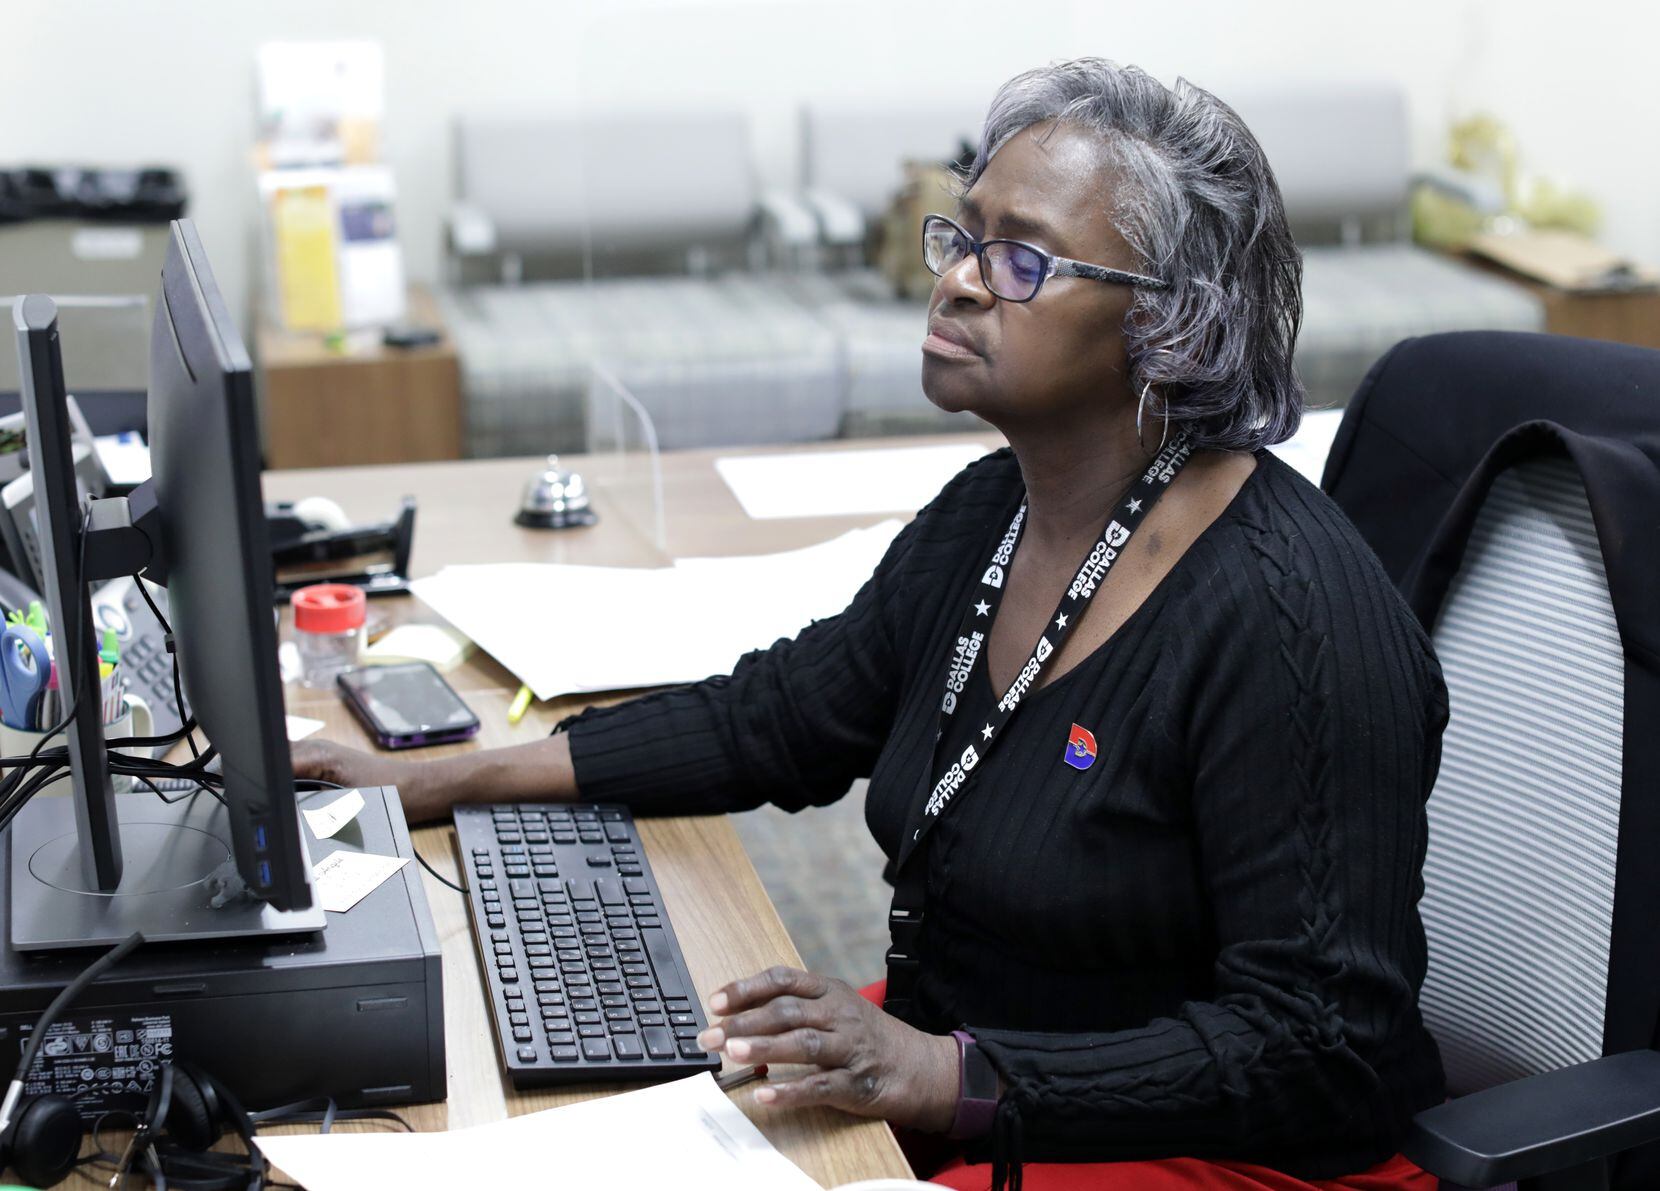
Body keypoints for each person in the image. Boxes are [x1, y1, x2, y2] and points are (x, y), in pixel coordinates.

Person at [296, 59, 1448, 1191]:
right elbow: (784, 718)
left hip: (1227, 1145)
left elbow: (1323, 1050)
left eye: (1022, 259)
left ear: (1169, 325)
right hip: (997, 1073)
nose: (952, 281)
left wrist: (945, 1076)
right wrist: (437, 781)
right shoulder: (994, 510)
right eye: (963, 235)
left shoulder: (1292, 625)